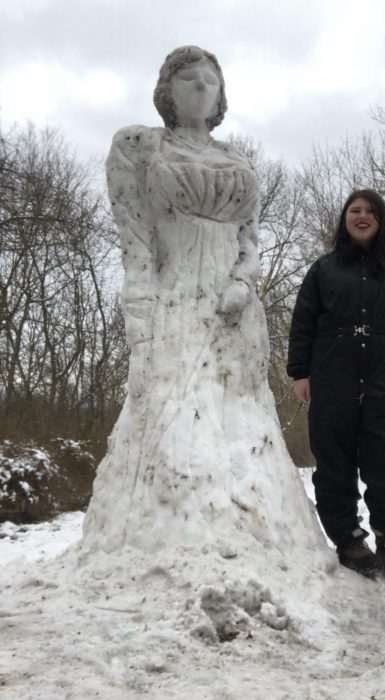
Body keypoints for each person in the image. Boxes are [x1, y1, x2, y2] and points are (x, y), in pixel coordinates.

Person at [82, 46, 324, 555]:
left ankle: (263, 540)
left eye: (210, 81)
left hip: (236, 306)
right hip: (176, 299)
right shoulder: (141, 148)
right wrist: (140, 318)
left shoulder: (236, 158)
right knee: (176, 416)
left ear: (221, 95)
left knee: (242, 421)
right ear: (166, 91)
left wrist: (243, 281)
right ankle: (172, 544)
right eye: (188, 79)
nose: (200, 88)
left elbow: (251, 240)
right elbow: (137, 244)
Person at [287, 190, 385, 587]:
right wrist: (301, 372)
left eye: (370, 211)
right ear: (344, 219)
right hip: (331, 377)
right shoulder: (324, 270)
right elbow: (304, 321)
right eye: (355, 211)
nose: (362, 216)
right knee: (333, 462)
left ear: (381, 219)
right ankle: (349, 539)